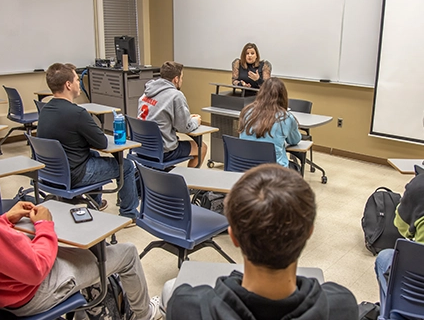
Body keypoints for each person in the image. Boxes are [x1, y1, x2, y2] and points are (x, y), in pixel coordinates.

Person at [0, 136, 160, 319]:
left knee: (94, 251)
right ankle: (145, 315)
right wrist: (45, 224)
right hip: (29, 293)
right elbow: (36, 269)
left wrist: (4, 219)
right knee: (126, 252)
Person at [166, 163, 358, 320]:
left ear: (233, 236)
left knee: (169, 287)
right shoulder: (342, 306)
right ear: (309, 232)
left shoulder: (186, 307)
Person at [37, 62, 138, 221]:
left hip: (50, 174)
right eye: (77, 80)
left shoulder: (44, 111)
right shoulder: (77, 113)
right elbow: (102, 143)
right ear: (68, 85)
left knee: (94, 155)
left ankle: (95, 204)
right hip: (74, 175)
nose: (79, 83)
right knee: (126, 166)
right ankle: (129, 214)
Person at [137, 61, 206, 168]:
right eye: (182, 78)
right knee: (202, 148)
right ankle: (189, 183)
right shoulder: (175, 95)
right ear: (176, 79)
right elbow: (185, 128)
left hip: (142, 148)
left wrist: (186, 117)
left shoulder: (147, 91)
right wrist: (196, 121)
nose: (182, 81)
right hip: (162, 151)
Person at [375, 169, 424, 314]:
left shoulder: (419, 185)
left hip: (417, 284)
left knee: (385, 257)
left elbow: (401, 226)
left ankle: (391, 313)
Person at [238, 77, 301, 168]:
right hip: (273, 173)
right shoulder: (286, 117)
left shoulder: (246, 112)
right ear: (283, 96)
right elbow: (295, 140)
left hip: (246, 168)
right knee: (296, 168)